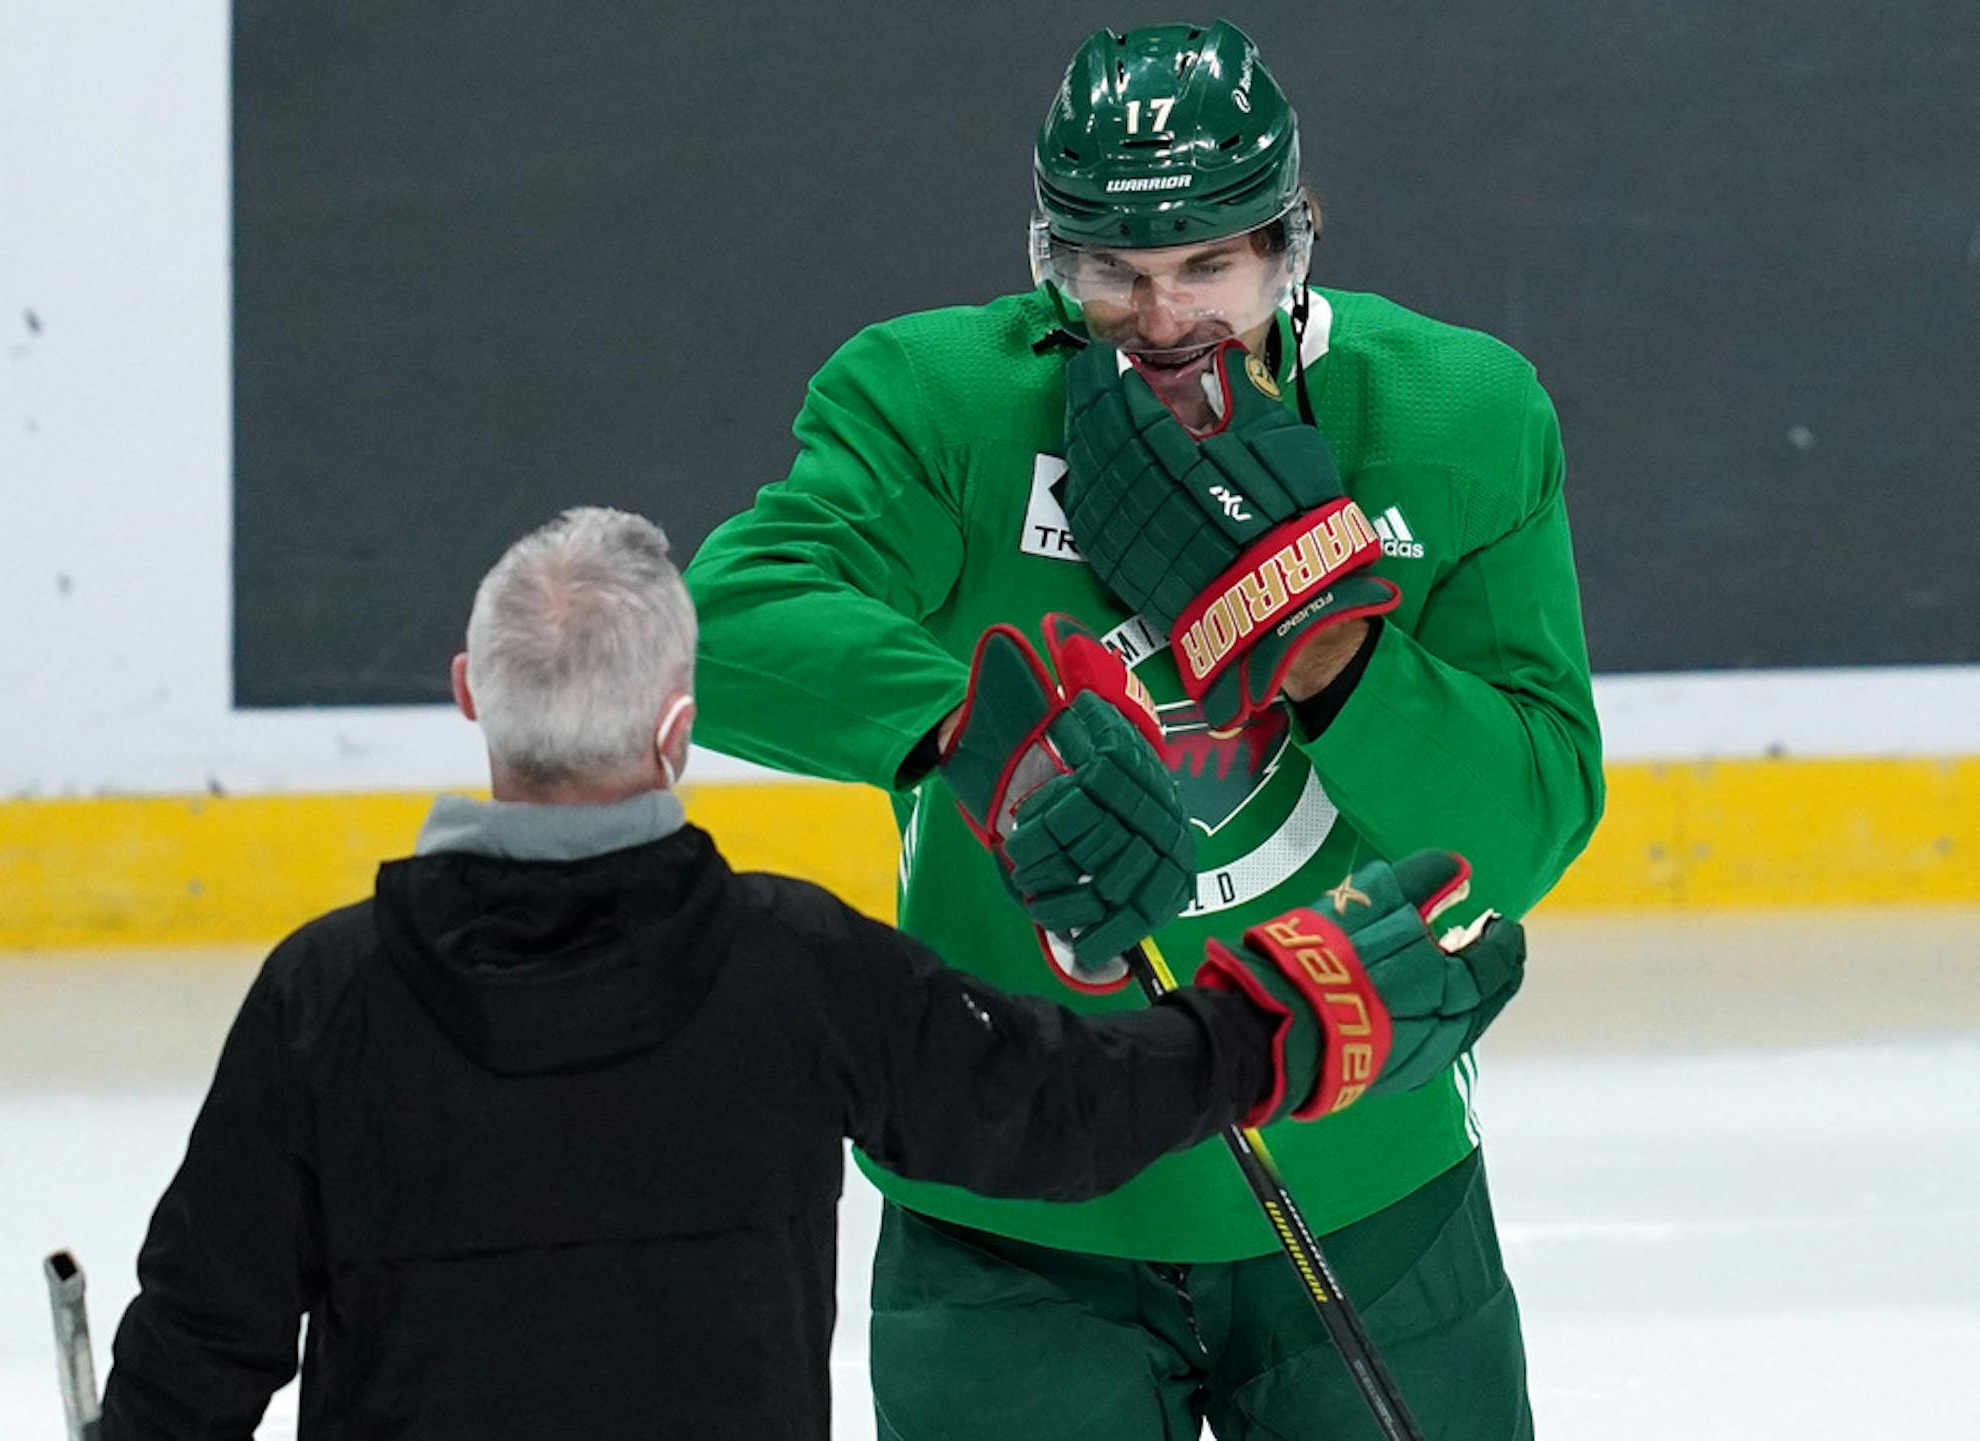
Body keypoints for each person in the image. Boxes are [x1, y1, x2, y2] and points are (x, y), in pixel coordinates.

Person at [95, 506, 1527, 1439]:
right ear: (677, 727)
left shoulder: (324, 996)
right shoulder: (789, 966)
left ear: (470, 695)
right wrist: (1260, 1025)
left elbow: (200, 1341)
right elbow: (1054, 1106)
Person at [684, 19, 1603, 1440]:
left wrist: (1325, 643)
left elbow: (1528, 825)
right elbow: (728, 617)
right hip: (1008, 1208)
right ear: (1050, 254)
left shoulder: (1456, 416)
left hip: (1369, 1174)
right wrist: (978, 730)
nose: (1161, 318)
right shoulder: (942, 404)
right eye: (1113, 272)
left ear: (1293, 243)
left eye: (1205, 269)